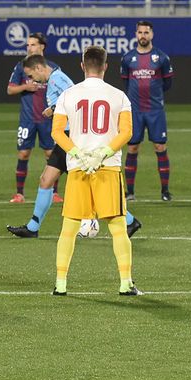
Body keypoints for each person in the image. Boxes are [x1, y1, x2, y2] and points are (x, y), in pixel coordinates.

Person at [7, 56, 140, 239]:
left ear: (38, 68)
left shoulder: (57, 79)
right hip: (68, 139)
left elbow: (76, 97)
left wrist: (53, 109)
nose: (33, 80)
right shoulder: (54, 79)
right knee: (46, 179)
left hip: (73, 138)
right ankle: (32, 227)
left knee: (93, 188)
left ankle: (130, 220)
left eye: (31, 75)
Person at [50, 46, 138, 297]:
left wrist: (78, 153)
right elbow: (126, 133)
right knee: (118, 228)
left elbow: (57, 132)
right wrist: (103, 153)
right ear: (105, 66)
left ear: (82, 66)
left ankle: (60, 284)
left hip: (78, 168)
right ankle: (125, 283)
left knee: (69, 228)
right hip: (107, 168)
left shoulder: (68, 95)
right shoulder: (119, 96)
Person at [120, 20, 174, 202]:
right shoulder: (128, 59)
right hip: (135, 111)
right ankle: (130, 192)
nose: (143, 36)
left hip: (155, 111)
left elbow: (167, 83)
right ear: (136, 34)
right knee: (132, 148)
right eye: (140, 32)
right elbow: (126, 83)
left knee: (160, 147)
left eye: (146, 32)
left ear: (152, 35)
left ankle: (165, 191)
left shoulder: (162, 58)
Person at [7, 31, 52, 204]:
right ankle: (19, 194)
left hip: (48, 119)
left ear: (42, 46)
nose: (29, 47)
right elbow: (10, 89)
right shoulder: (21, 67)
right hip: (27, 119)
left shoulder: (52, 67)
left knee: (51, 155)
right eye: (27, 45)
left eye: (32, 44)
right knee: (24, 153)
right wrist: (25, 86)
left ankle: (54, 193)